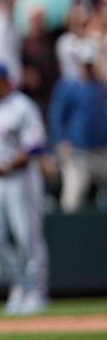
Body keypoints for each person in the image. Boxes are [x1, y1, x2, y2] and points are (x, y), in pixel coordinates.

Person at [0, 63, 49, 316]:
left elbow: (36, 145)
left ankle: (37, 292)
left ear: (2, 81)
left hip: (21, 178)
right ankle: (21, 284)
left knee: (28, 238)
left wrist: (4, 166)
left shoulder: (22, 105)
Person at [48, 44, 107, 213]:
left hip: (100, 149)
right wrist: (61, 140)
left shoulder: (99, 86)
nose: (87, 67)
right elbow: (57, 115)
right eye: (84, 63)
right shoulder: (68, 86)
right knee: (73, 196)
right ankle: (67, 232)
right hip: (77, 150)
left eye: (89, 63)